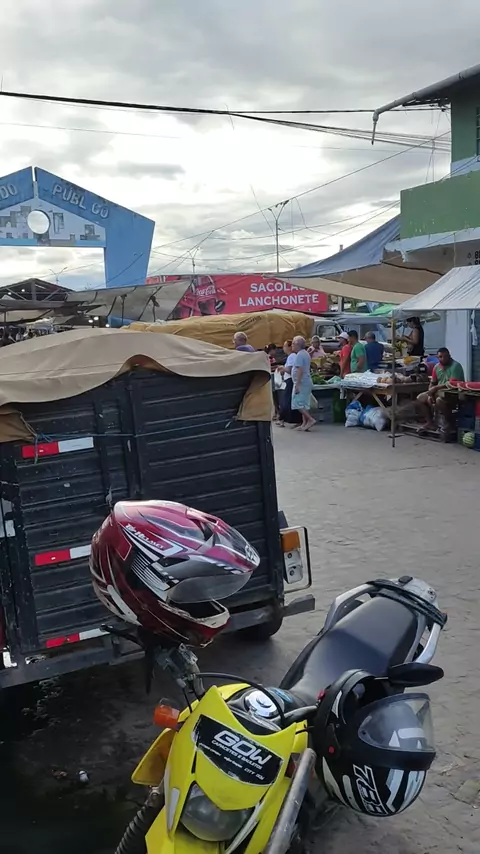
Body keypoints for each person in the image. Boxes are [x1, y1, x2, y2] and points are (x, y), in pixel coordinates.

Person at [416, 347, 465, 431]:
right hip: (438, 392)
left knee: (439, 401)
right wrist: (430, 392)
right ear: (437, 357)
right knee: (420, 398)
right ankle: (430, 422)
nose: (443, 359)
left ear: (449, 356)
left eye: (445, 356)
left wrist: (435, 388)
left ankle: (450, 423)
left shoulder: (456, 366)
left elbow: (451, 384)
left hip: (454, 393)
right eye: (440, 357)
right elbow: (433, 382)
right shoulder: (436, 367)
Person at [291, 336, 316, 432]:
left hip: (301, 382)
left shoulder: (300, 355)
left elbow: (300, 370)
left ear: (297, 345)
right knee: (304, 403)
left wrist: (297, 384)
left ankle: (310, 419)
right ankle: (304, 423)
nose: (292, 345)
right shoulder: (305, 353)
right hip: (306, 381)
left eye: (293, 343)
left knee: (297, 403)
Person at [277, 340, 302, 427]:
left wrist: (283, 368)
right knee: (287, 401)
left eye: (285, 346)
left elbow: (290, 369)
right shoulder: (291, 356)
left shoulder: (292, 356)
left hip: (290, 380)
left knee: (286, 401)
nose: (283, 348)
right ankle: (284, 419)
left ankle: (287, 419)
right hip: (289, 379)